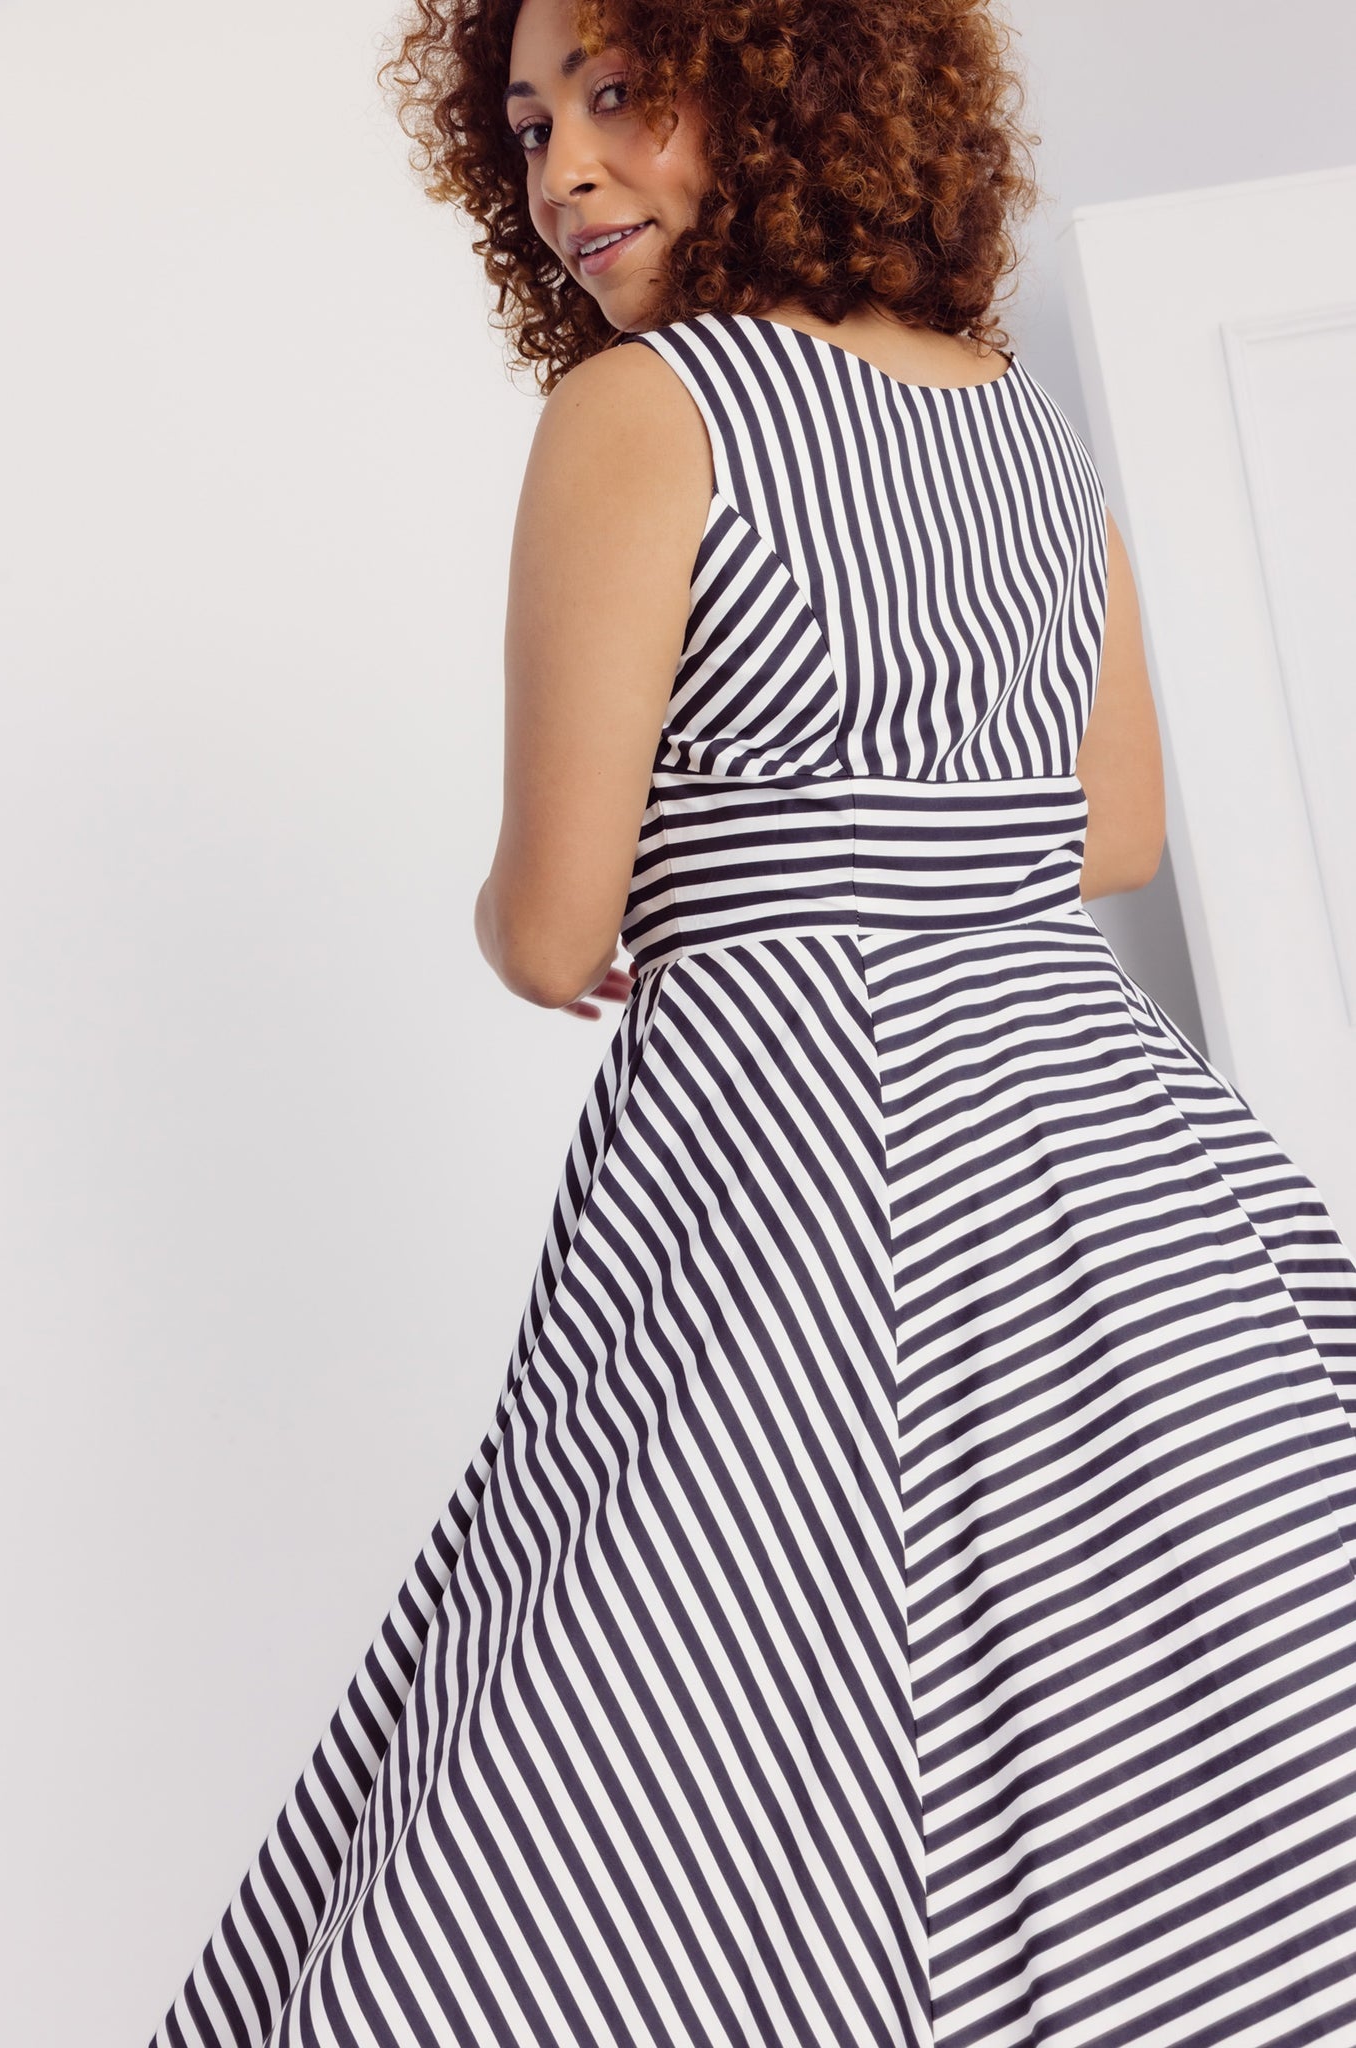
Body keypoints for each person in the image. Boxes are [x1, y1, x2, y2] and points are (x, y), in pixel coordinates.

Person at [147, 0, 1356, 2042]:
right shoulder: (1004, 410)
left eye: (621, 94)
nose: (562, 175)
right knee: (1134, 1743)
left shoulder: (648, 412)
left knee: (660, 1771)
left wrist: (673, 893)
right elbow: (1114, 826)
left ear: (786, 82)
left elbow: (548, 931)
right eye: (527, 126)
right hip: (1110, 1178)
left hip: (787, 1171)